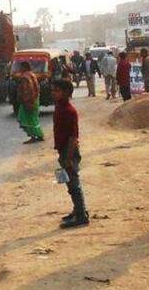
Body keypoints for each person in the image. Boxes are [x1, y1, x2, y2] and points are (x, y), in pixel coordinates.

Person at [51, 79, 89, 228]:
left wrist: (68, 157)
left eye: (57, 90)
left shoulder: (69, 111)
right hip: (63, 149)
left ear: (66, 92)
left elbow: (73, 137)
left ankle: (81, 215)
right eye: (53, 90)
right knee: (70, 182)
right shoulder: (60, 107)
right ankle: (78, 210)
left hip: (69, 150)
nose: (53, 93)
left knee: (74, 183)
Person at [17, 61, 44, 144]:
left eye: (21, 67)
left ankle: (33, 136)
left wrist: (26, 101)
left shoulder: (24, 77)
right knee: (34, 118)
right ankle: (39, 135)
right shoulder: (32, 75)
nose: (20, 69)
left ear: (24, 67)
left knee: (27, 119)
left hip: (28, 100)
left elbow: (26, 90)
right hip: (35, 99)